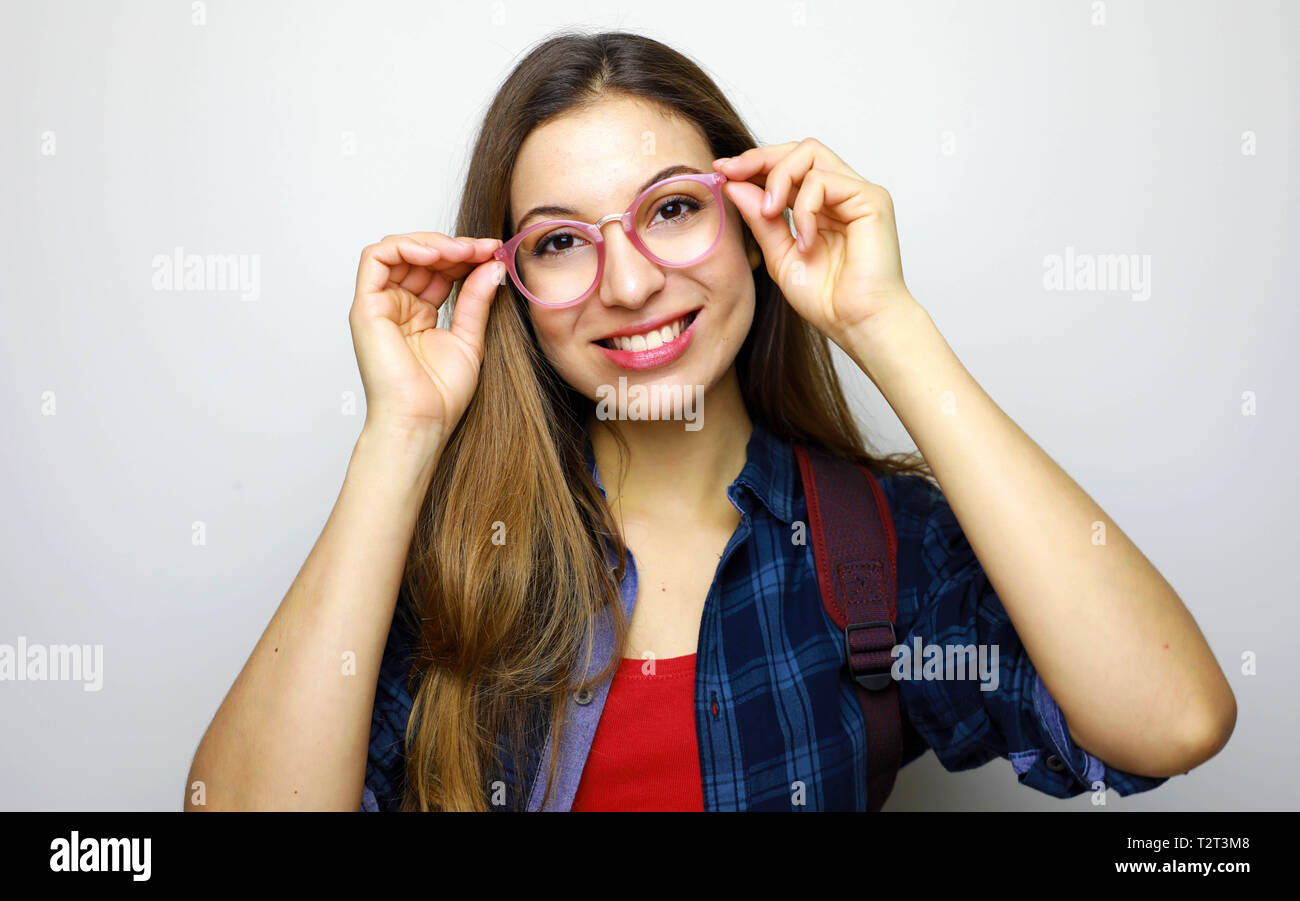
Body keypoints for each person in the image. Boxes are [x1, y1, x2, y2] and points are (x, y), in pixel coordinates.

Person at [184, 30, 1236, 813]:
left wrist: (881, 321)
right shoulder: (445, 562)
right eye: (559, 242)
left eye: (673, 209)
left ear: (750, 223)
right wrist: (399, 436)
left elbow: (1172, 722)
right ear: (507, 285)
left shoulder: (873, 551)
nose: (631, 281)